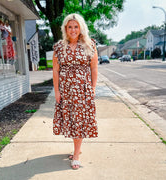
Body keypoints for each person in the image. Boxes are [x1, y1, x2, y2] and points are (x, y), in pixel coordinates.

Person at [52, 13, 98, 170]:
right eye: (70, 26)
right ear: (65, 28)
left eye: (76, 26)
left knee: (79, 121)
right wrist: (57, 91)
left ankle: (76, 154)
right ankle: (77, 149)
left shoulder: (89, 45)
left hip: (82, 90)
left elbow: (93, 68)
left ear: (81, 28)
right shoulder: (59, 47)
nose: (73, 29)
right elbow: (56, 70)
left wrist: (92, 88)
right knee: (71, 121)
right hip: (66, 90)